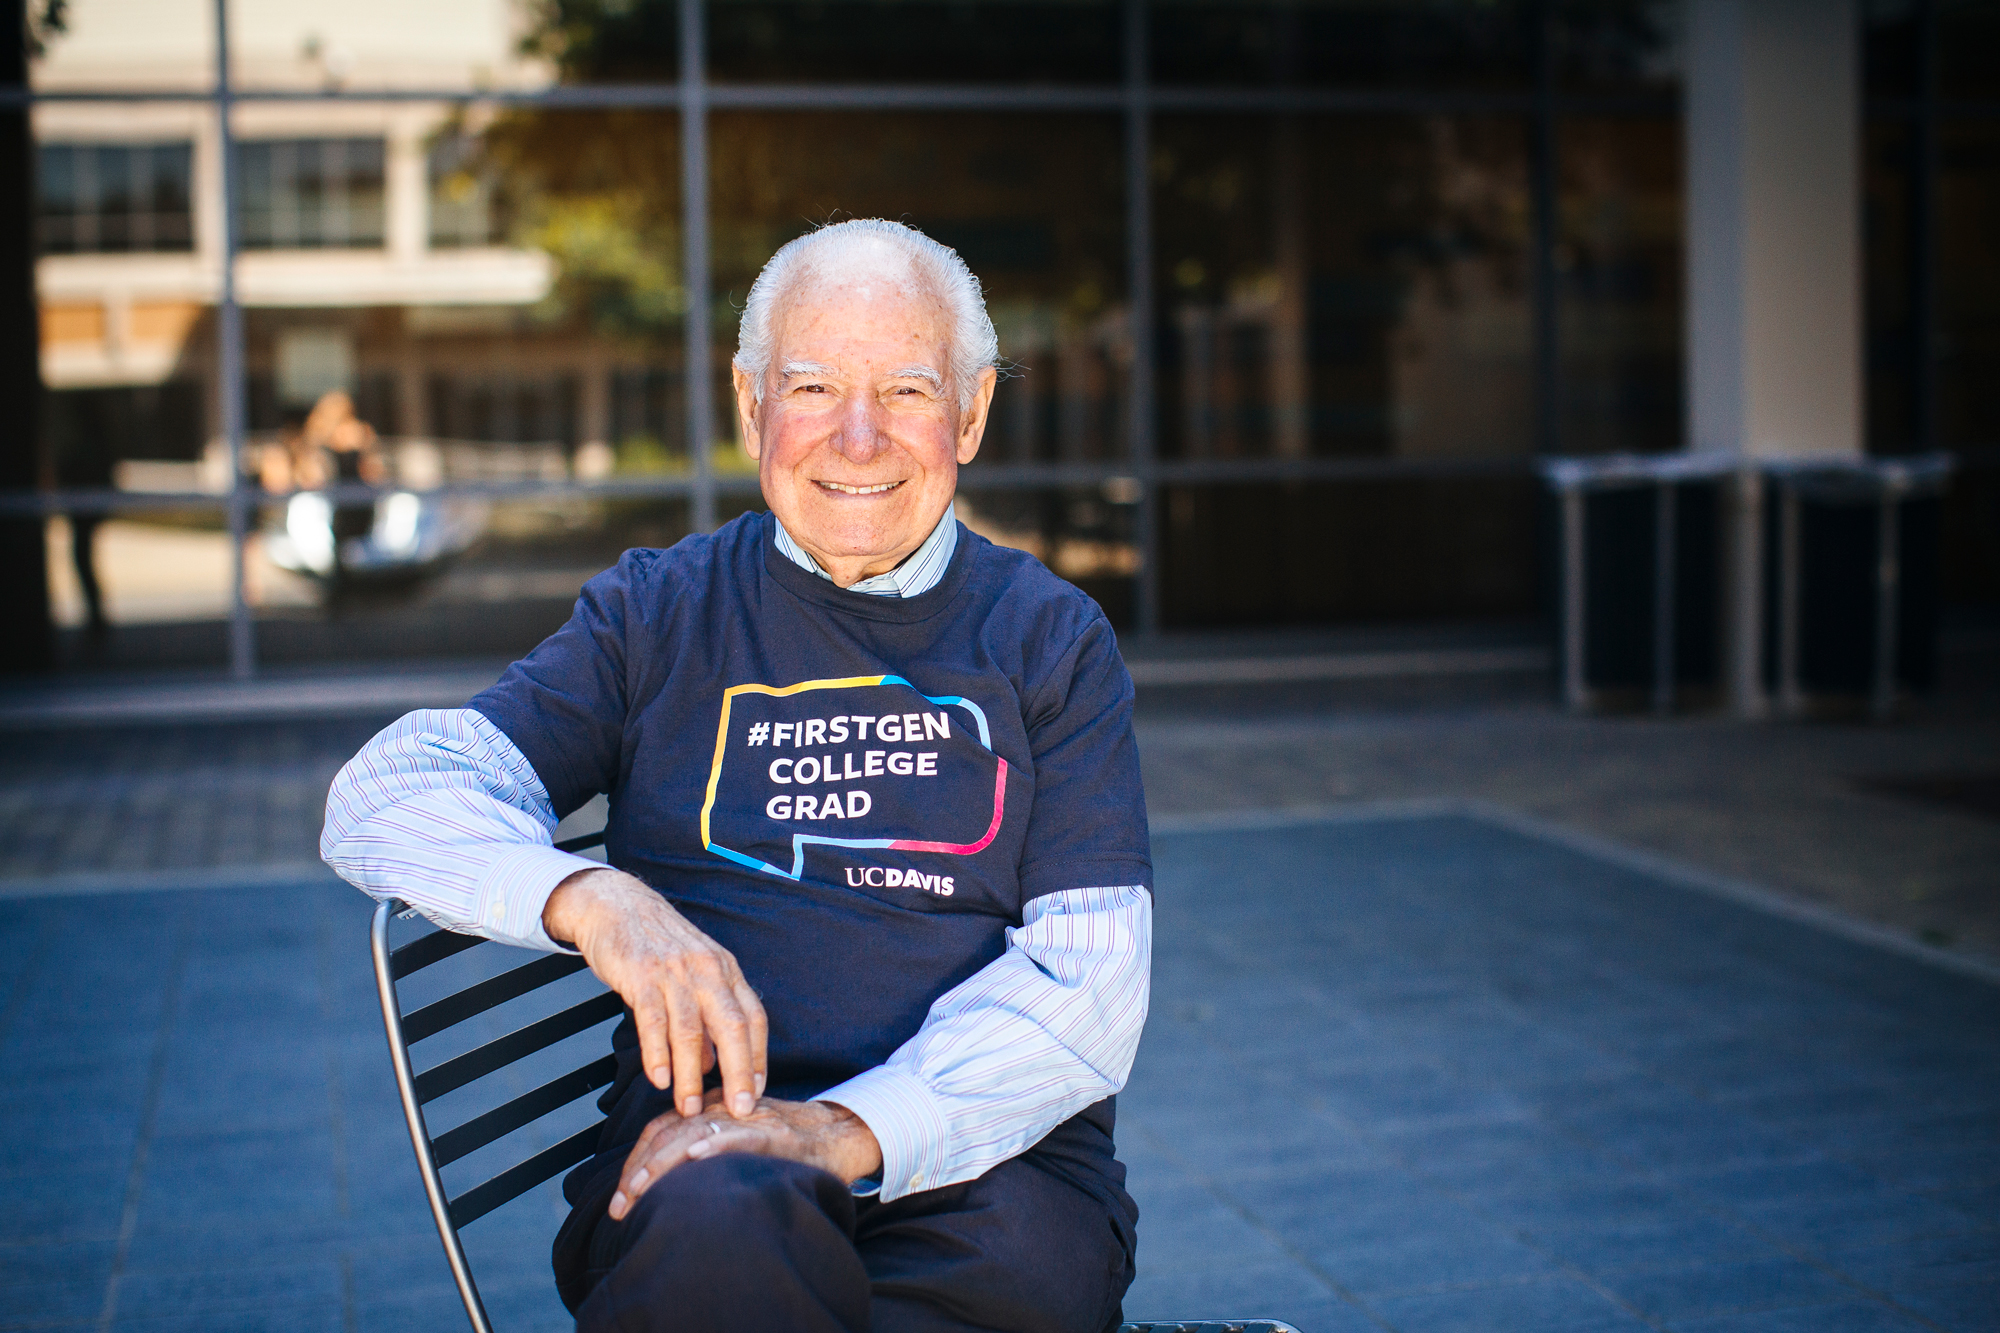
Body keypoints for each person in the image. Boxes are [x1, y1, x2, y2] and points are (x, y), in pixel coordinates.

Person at [322, 218, 1152, 1333]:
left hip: (984, 1168)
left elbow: (1089, 988)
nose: (856, 439)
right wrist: (590, 897)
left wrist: (842, 1130)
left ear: (970, 411)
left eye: (906, 390)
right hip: (711, 1182)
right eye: (811, 386)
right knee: (718, 1250)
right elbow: (384, 794)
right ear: (752, 405)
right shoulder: (656, 614)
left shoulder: (1048, 639)